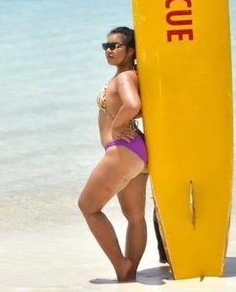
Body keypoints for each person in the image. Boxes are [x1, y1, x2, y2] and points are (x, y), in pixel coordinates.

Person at [78, 26, 148, 281]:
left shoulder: (125, 78)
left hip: (123, 151)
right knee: (135, 217)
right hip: (135, 152)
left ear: (130, 51)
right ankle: (128, 274)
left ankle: (121, 265)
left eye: (115, 46)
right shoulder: (128, 75)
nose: (109, 50)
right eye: (106, 46)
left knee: (87, 206)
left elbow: (133, 105)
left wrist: (118, 125)